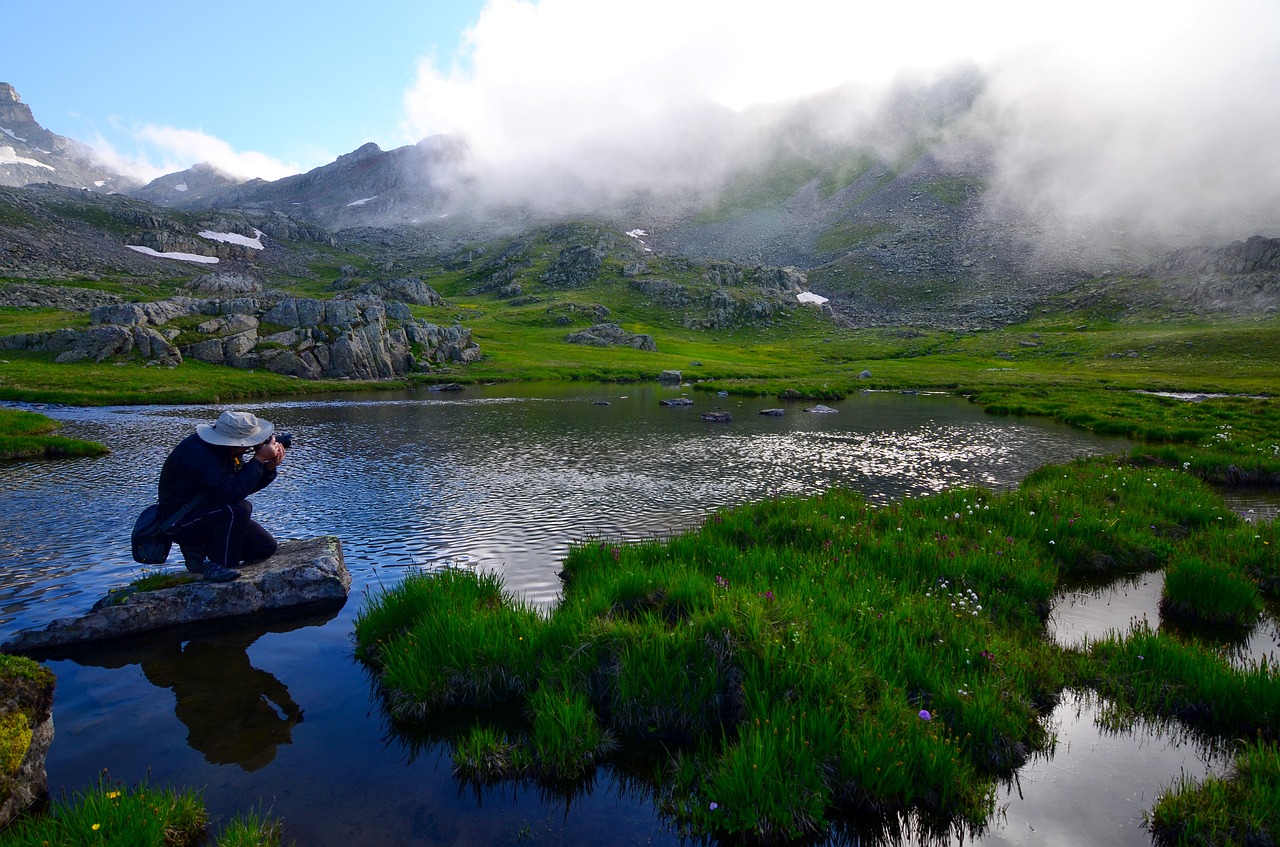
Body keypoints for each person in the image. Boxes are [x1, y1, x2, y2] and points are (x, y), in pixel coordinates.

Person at [157, 410, 286, 582]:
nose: (249, 446)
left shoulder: (224, 450)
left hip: (204, 513)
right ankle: (219, 565)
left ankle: (200, 547)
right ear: (234, 441)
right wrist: (259, 459)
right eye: (248, 442)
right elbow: (233, 492)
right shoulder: (199, 453)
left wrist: (268, 469)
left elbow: (242, 486)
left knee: (264, 547)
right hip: (179, 522)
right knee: (239, 508)